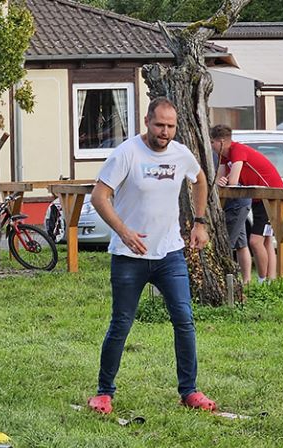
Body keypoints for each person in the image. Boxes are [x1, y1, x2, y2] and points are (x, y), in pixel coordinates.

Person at [86, 97, 217, 415]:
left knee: (184, 321)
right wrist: (123, 231)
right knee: (121, 323)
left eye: (171, 126)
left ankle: (189, 391)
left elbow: (200, 180)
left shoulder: (181, 154)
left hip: (169, 253)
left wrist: (199, 222)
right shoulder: (126, 154)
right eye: (160, 125)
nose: (165, 132)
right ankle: (104, 393)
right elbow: (99, 196)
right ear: (146, 120)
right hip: (129, 256)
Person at [209, 124, 283, 284]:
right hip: (258, 197)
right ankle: (270, 280)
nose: (211, 146)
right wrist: (220, 180)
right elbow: (220, 180)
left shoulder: (238, 150)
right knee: (266, 240)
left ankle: (262, 279)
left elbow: (233, 180)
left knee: (255, 242)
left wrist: (225, 180)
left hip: (271, 195)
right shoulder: (224, 156)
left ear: (222, 141)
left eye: (212, 142)